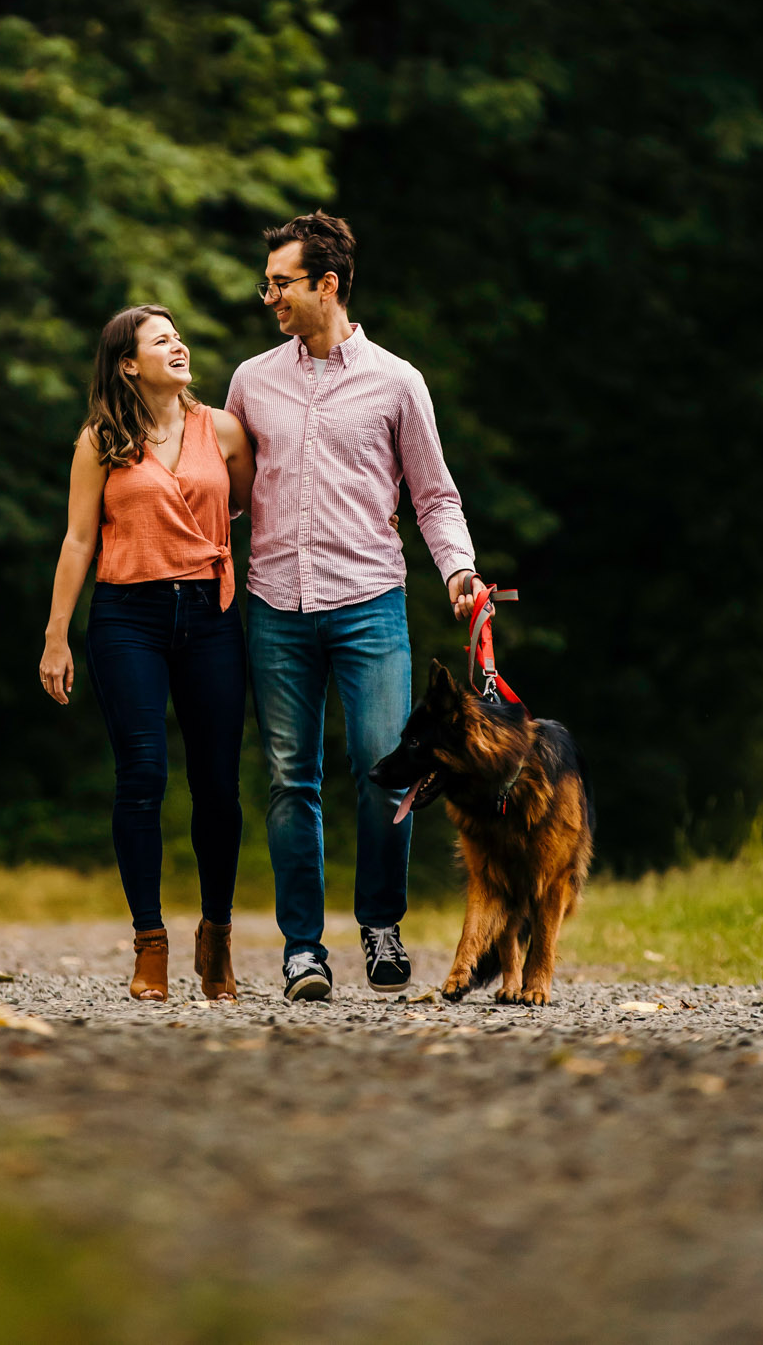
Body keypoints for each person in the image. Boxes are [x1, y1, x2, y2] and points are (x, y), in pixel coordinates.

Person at [225, 212, 482, 1001]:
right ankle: (303, 949)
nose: (267, 295)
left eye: (280, 283)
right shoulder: (250, 381)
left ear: (325, 285)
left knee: (385, 772)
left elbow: (433, 498)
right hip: (273, 604)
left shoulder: (397, 382)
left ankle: (379, 923)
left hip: (369, 603)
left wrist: (459, 573)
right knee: (287, 778)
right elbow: (223, 496)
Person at [39, 304, 256, 1003]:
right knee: (141, 775)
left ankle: (216, 938)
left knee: (218, 785)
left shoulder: (221, 429)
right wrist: (55, 635)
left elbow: (247, 504)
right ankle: (149, 945)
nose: (179, 346)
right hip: (125, 617)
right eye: (161, 340)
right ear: (128, 363)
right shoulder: (100, 440)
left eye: (179, 337)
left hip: (209, 614)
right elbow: (77, 541)